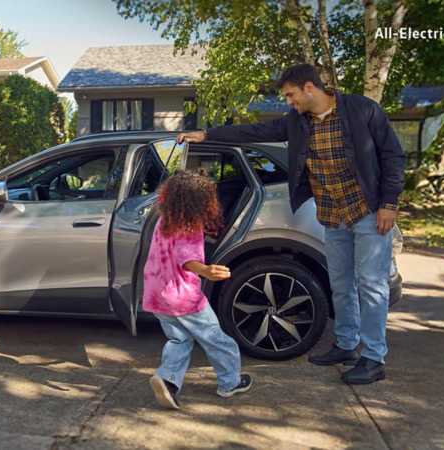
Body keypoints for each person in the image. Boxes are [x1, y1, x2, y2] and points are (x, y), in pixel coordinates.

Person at [175, 64, 405, 385]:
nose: (288, 102)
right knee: (341, 285)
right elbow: (253, 132)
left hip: (367, 211)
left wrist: (389, 204)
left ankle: (373, 358)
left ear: (309, 88)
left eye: (291, 95)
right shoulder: (297, 122)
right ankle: (346, 345)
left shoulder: (362, 110)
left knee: (372, 286)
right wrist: (208, 134)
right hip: (331, 214)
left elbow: (392, 156)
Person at [144, 169, 252, 410]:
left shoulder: (164, 219)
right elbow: (186, 256)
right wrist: (206, 271)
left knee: (179, 338)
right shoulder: (190, 225)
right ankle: (230, 382)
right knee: (217, 340)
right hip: (183, 298)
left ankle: (167, 380)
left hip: (156, 293)